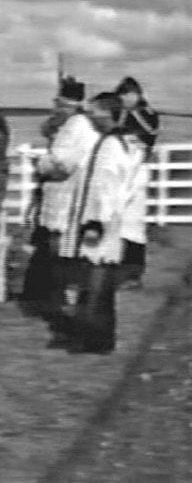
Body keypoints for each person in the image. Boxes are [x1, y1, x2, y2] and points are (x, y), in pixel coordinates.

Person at [18, 76, 101, 347]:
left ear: (69, 105)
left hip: (68, 204)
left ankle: (72, 322)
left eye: (59, 103)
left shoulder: (77, 128)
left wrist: (40, 162)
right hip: (67, 204)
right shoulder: (78, 126)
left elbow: (62, 165)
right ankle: (66, 315)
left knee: (67, 264)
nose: (56, 108)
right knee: (64, 263)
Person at [59, 92, 143, 353]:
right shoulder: (112, 142)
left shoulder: (112, 146)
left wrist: (96, 222)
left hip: (100, 222)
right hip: (101, 220)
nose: (90, 116)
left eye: (94, 111)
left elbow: (108, 187)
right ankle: (94, 336)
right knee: (95, 279)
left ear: (106, 113)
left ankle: (96, 339)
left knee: (97, 280)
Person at [113, 76, 159, 286]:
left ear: (137, 94)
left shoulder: (147, 113)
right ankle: (117, 266)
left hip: (137, 169)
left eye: (129, 94)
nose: (126, 98)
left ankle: (133, 273)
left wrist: (131, 114)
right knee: (114, 221)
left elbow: (150, 133)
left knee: (133, 223)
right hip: (119, 170)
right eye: (122, 94)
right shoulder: (117, 113)